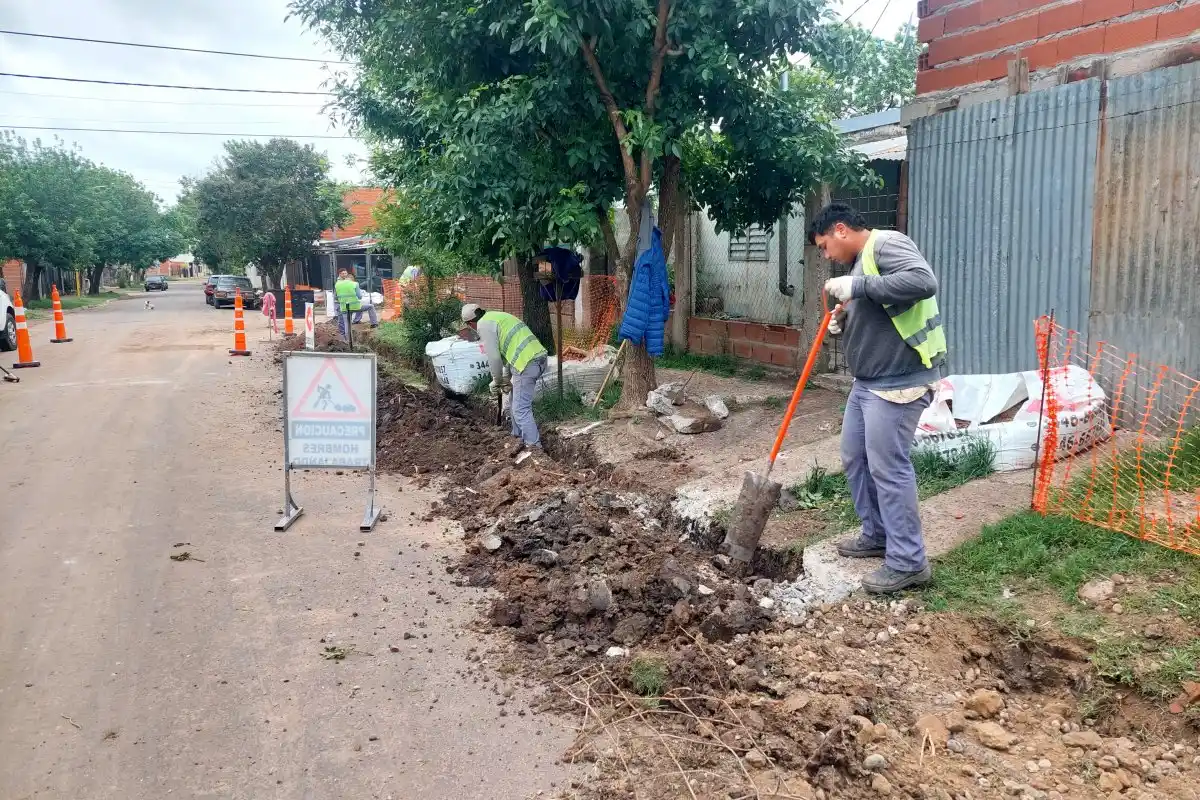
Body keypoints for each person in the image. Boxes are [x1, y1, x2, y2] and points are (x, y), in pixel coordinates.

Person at [807, 203, 948, 593]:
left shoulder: (887, 244)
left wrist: (858, 288)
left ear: (840, 229)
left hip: (899, 381)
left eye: (824, 246)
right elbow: (881, 310)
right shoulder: (859, 264)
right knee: (855, 457)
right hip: (867, 382)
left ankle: (909, 563)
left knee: (889, 468)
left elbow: (923, 282)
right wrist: (845, 321)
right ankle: (878, 534)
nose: (826, 255)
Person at [461, 303, 548, 453]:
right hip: (538, 358)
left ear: (470, 323)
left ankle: (535, 448)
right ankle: (516, 439)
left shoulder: (483, 325)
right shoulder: (497, 317)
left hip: (526, 363)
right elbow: (511, 348)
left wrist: (497, 380)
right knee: (515, 402)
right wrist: (506, 377)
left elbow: (494, 358)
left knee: (520, 409)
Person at [334, 269, 361, 339]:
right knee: (342, 321)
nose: (345, 275)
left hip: (345, 304)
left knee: (346, 322)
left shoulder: (344, 282)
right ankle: (344, 337)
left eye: (346, 273)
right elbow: (336, 296)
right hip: (340, 304)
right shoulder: (338, 283)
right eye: (343, 273)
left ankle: (346, 338)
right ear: (339, 274)